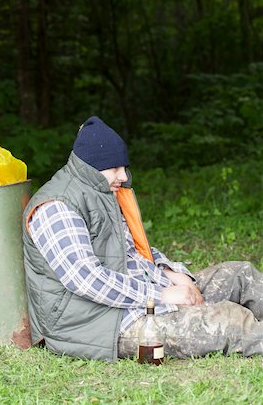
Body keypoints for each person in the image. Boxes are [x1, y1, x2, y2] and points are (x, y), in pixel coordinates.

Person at [23, 116, 263, 361]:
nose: (124, 176)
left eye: (123, 167)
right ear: (90, 167)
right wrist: (162, 296)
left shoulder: (100, 191)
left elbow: (129, 250)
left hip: (136, 296)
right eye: (115, 169)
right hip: (99, 322)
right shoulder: (56, 207)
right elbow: (87, 279)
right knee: (228, 322)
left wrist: (171, 274)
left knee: (240, 275)